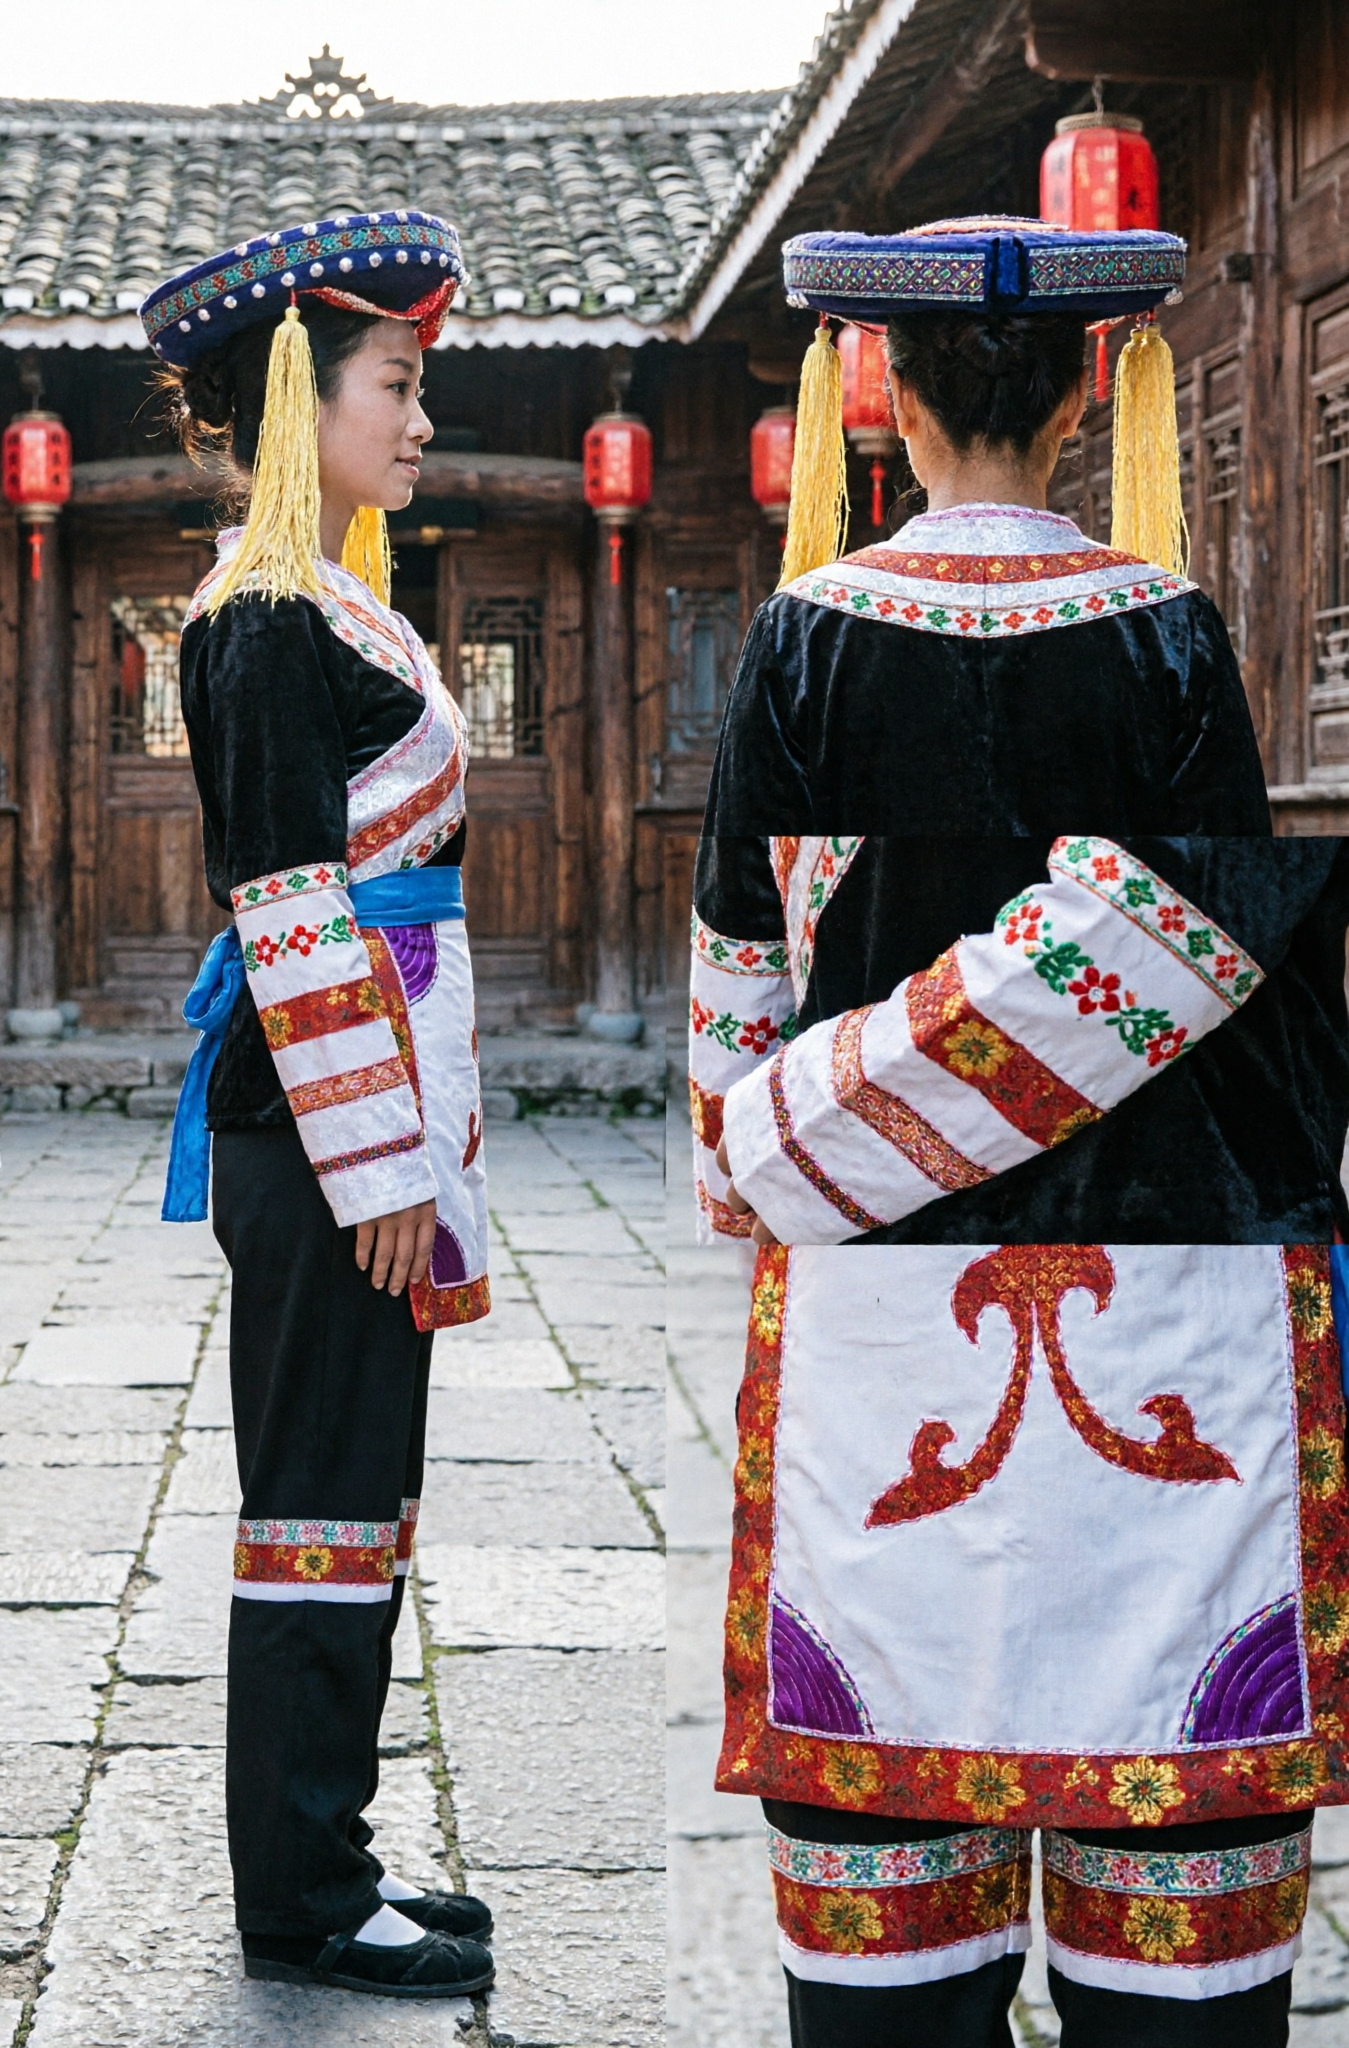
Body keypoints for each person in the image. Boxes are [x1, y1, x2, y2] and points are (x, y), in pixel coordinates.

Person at [690, 216, 1349, 2046]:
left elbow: (743, 974)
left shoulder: (806, 634)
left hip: (883, 1307)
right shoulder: (1164, 631)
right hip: (1169, 1308)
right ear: (1084, 394)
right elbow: (1236, 965)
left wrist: (766, 1166)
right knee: (1176, 1908)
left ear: (878, 395)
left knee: (888, 1844)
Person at [141, 213, 495, 1999]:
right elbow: (283, 899)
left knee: (365, 1494)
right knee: (316, 1498)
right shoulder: (270, 621)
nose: (422, 419)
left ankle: (332, 1849)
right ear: (303, 399)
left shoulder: (337, 603)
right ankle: (297, 1894)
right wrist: (377, 1159)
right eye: (400, 383)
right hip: (321, 1130)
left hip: (372, 1109)